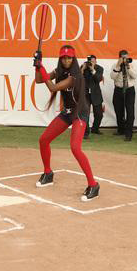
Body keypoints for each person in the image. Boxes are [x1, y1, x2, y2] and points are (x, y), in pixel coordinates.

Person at [34, 45, 100, 201]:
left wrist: (41, 66)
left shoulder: (74, 76)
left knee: (75, 148)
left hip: (79, 113)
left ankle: (93, 185)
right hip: (68, 112)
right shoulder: (59, 71)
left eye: (69, 58)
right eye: (63, 58)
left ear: (73, 59)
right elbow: (39, 80)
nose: (66, 60)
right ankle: (48, 174)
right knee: (44, 140)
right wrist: (37, 66)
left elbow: (53, 87)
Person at [111, 49, 137, 141]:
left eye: (126, 57)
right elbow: (112, 77)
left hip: (129, 90)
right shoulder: (115, 65)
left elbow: (135, 76)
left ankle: (128, 134)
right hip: (118, 89)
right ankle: (121, 130)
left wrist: (128, 67)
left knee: (130, 112)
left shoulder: (132, 64)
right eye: (123, 58)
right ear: (119, 58)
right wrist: (118, 66)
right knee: (118, 111)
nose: (125, 59)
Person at [82, 55, 104, 138]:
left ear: (96, 61)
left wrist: (93, 70)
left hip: (96, 94)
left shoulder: (99, 68)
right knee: (85, 114)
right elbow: (78, 78)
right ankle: (86, 132)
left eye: (92, 61)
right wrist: (83, 69)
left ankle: (95, 129)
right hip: (85, 94)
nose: (91, 63)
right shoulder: (83, 67)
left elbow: (98, 79)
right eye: (89, 61)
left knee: (99, 114)